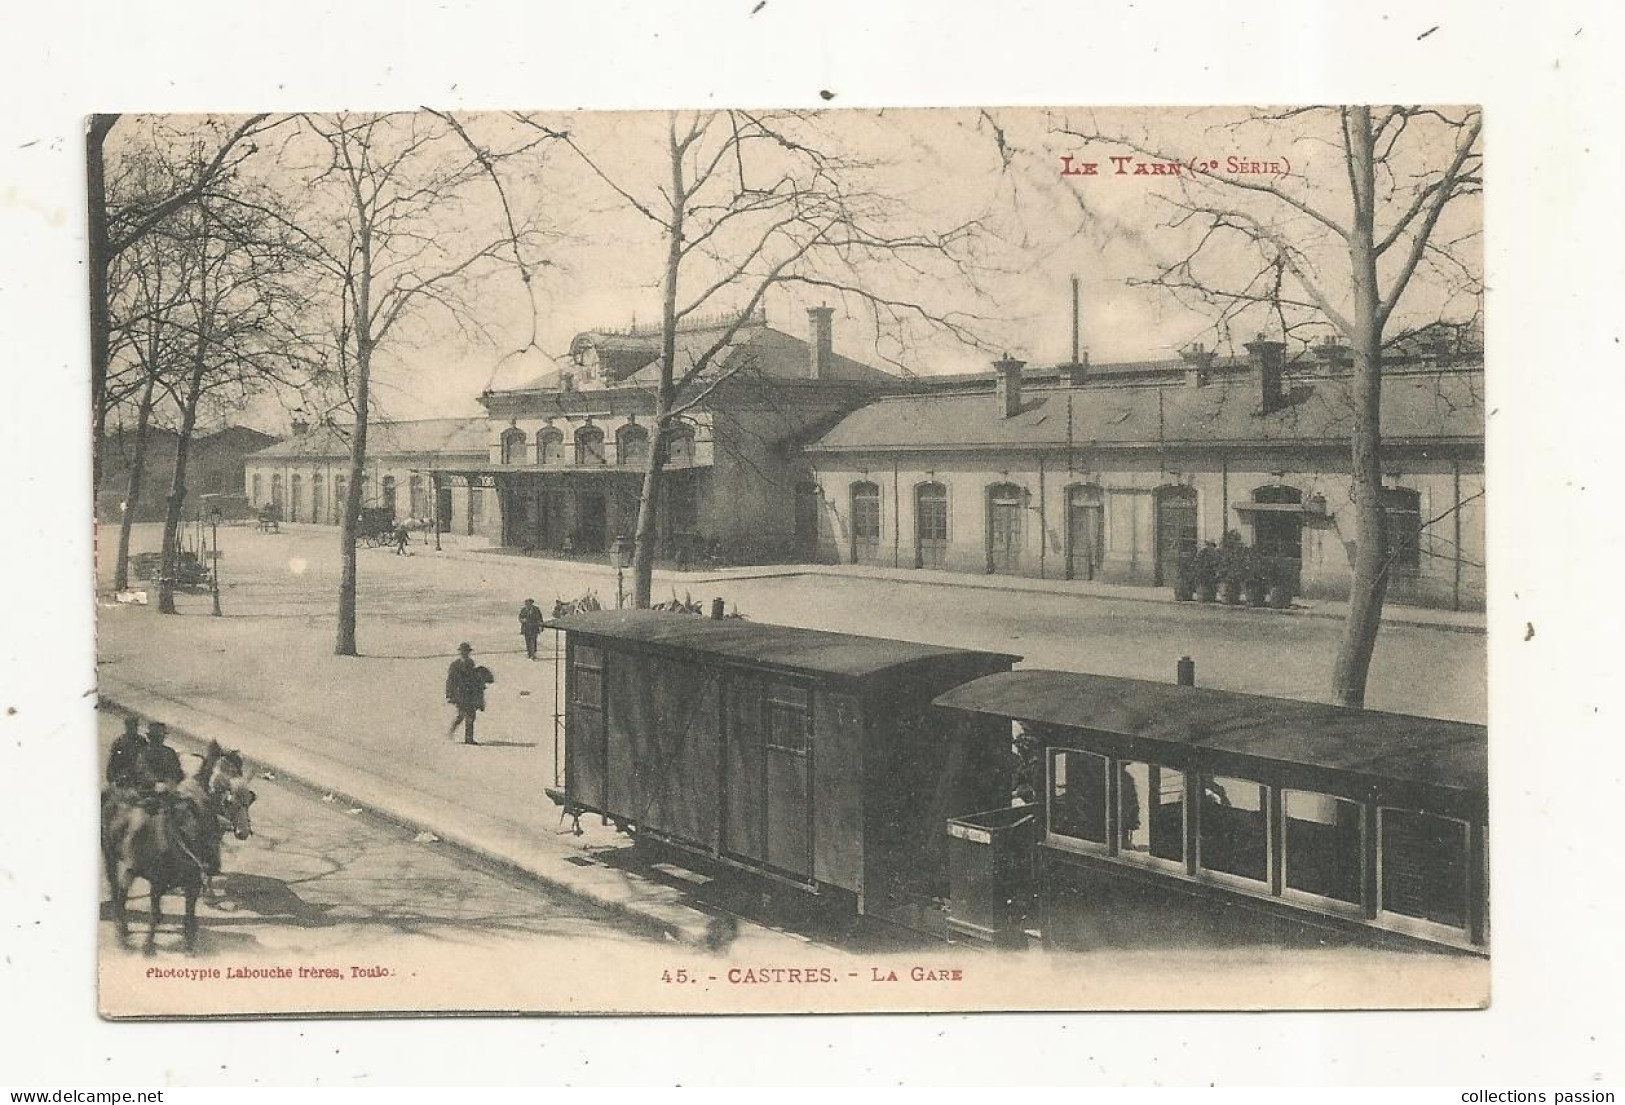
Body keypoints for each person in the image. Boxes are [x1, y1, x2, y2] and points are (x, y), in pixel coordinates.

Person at [445, 642, 486, 745]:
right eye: (463, 652)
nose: (465, 654)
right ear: (460, 652)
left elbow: (475, 679)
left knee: (471, 716)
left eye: (467, 652)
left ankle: (469, 738)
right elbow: (450, 680)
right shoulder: (455, 665)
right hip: (460, 694)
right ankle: (451, 731)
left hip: (470, 694)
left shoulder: (471, 663)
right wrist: (450, 694)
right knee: (462, 715)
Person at [135, 721, 186, 792]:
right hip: (147, 789)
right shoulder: (144, 752)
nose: (158, 739)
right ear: (150, 737)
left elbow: (177, 771)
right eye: (156, 737)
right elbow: (142, 771)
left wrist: (169, 781)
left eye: (160, 736)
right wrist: (155, 782)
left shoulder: (169, 752)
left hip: (168, 788)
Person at [105, 715, 146, 790]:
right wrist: (112, 778)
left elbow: (145, 759)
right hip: (122, 775)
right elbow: (112, 761)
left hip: (136, 775)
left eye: (134, 726)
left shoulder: (141, 741)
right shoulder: (119, 742)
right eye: (130, 726)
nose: (132, 729)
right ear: (126, 727)